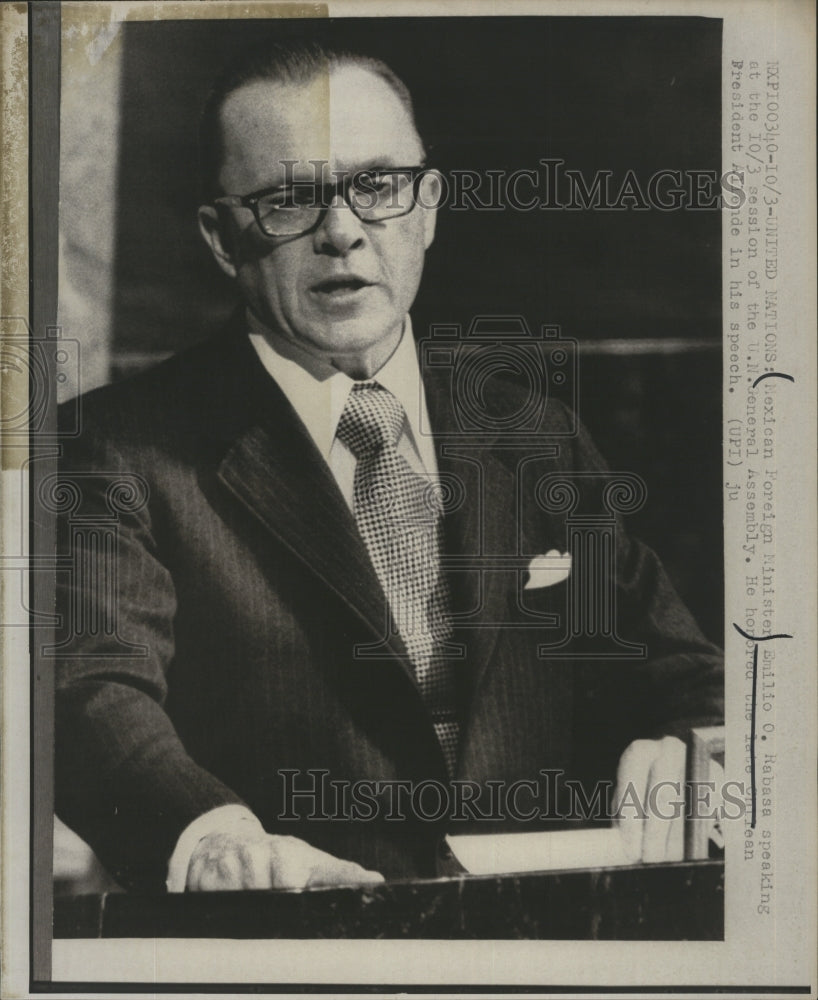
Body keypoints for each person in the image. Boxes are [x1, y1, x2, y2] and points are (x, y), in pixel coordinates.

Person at [54, 40, 723, 894]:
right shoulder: (112, 451)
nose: (342, 232)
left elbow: (685, 673)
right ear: (223, 238)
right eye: (291, 198)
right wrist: (211, 837)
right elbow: (91, 696)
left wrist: (689, 744)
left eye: (377, 186)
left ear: (429, 207)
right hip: (288, 950)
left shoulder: (534, 435)